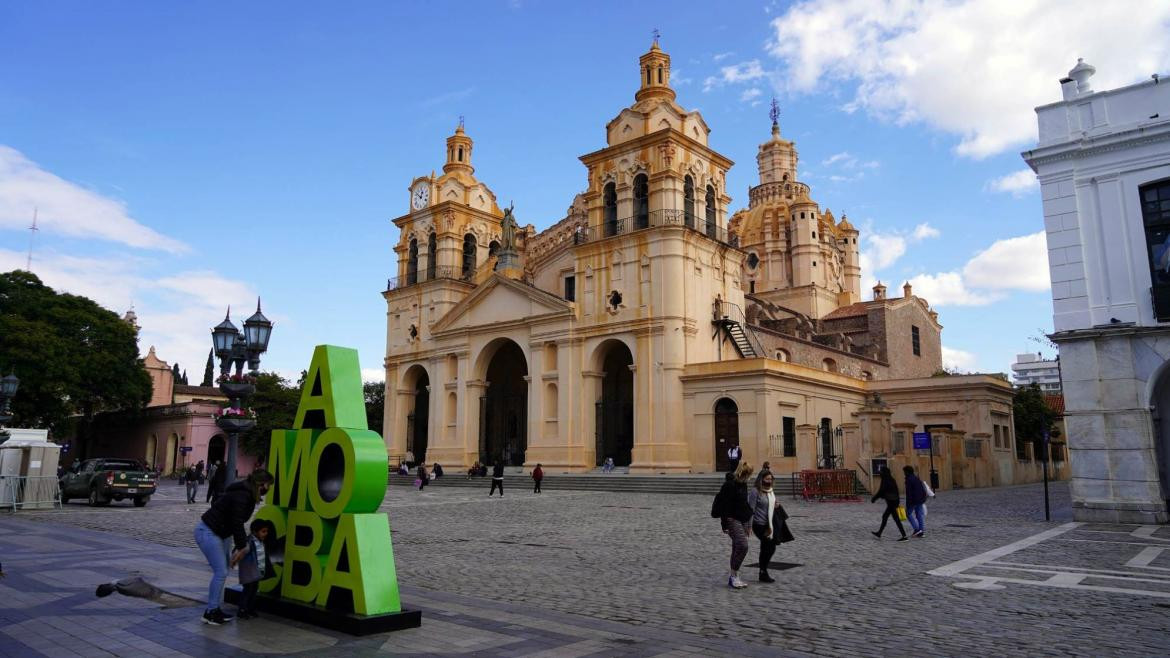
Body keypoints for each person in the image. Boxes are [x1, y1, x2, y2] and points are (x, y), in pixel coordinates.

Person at [194, 469, 274, 625]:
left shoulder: (246, 494)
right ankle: (211, 612)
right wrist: (242, 547)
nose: (268, 489)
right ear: (261, 484)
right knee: (221, 571)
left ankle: (213, 609)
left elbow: (234, 522)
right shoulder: (243, 495)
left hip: (217, 533)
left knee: (223, 569)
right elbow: (236, 522)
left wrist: (239, 548)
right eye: (268, 485)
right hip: (208, 532)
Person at [746, 469, 793, 583]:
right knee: (768, 545)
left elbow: (772, 503)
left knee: (770, 547)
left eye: (771, 479)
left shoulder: (770, 491)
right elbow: (750, 509)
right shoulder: (755, 492)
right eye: (767, 479)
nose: (769, 481)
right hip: (759, 524)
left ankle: (763, 571)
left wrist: (776, 505)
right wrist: (749, 526)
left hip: (769, 524)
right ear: (761, 479)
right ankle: (763, 571)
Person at [714, 462, 754, 589]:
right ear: (742, 473)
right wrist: (724, 524)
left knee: (737, 546)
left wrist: (748, 524)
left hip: (742, 518)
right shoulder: (729, 485)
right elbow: (723, 505)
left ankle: (734, 576)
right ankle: (734, 575)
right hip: (732, 519)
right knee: (743, 545)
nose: (748, 477)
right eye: (747, 474)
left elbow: (744, 504)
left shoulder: (743, 484)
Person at [230, 519, 272, 619]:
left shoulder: (261, 541)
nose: (265, 534)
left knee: (253, 591)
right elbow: (242, 550)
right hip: (249, 573)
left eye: (266, 531)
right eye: (263, 531)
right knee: (248, 591)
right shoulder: (249, 541)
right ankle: (242, 610)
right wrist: (235, 559)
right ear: (254, 531)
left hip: (257, 572)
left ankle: (250, 608)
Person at [871, 466, 908, 541]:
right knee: (885, 516)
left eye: (881, 471)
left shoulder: (885, 480)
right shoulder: (891, 479)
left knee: (896, 519)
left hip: (891, 502)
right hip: (894, 501)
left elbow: (881, 490)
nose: (880, 473)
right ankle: (879, 533)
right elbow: (895, 491)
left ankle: (904, 536)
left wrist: (874, 498)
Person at [903, 465, 929, 538]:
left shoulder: (909, 479)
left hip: (913, 500)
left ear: (907, 472)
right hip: (920, 499)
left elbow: (909, 493)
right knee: (919, 515)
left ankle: (916, 529)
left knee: (908, 513)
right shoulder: (916, 478)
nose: (904, 473)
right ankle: (921, 531)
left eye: (904, 472)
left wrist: (908, 503)